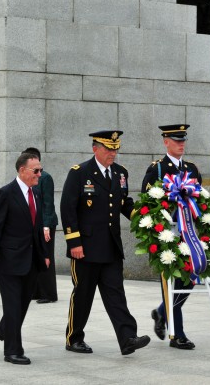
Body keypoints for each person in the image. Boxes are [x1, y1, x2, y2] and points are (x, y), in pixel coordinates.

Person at [60, 130, 150, 356]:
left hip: (111, 246)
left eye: (115, 148)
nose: (113, 153)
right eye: (109, 149)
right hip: (86, 248)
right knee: (83, 294)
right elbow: (68, 209)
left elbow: (123, 203)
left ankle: (127, 338)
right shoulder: (79, 173)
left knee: (116, 294)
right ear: (95, 149)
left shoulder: (120, 173)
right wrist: (74, 242)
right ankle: (74, 338)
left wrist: (144, 217)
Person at [0, 152, 50, 365]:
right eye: (36, 170)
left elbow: (37, 227)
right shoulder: (5, 193)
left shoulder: (36, 193)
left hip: (31, 258)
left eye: (40, 169)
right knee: (12, 305)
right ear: (22, 170)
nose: (40, 174)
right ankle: (12, 351)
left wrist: (45, 254)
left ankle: (5, 329)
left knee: (22, 303)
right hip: (8, 259)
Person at [141, 124, 201, 350]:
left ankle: (161, 312)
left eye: (183, 140)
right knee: (171, 283)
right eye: (176, 140)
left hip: (189, 234)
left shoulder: (192, 169)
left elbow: (200, 200)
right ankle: (178, 335)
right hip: (166, 234)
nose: (181, 144)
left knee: (189, 279)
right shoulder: (157, 169)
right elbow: (147, 202)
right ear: (166, 142)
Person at [22, 147, 59, 304]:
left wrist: (46, 226)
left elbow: (48, 203)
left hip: (45, 224)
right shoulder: (25, 177)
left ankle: (49, 293)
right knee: (34, 259)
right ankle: (36, 291)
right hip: (32, 224)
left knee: (46, 258)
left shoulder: (45, 178)